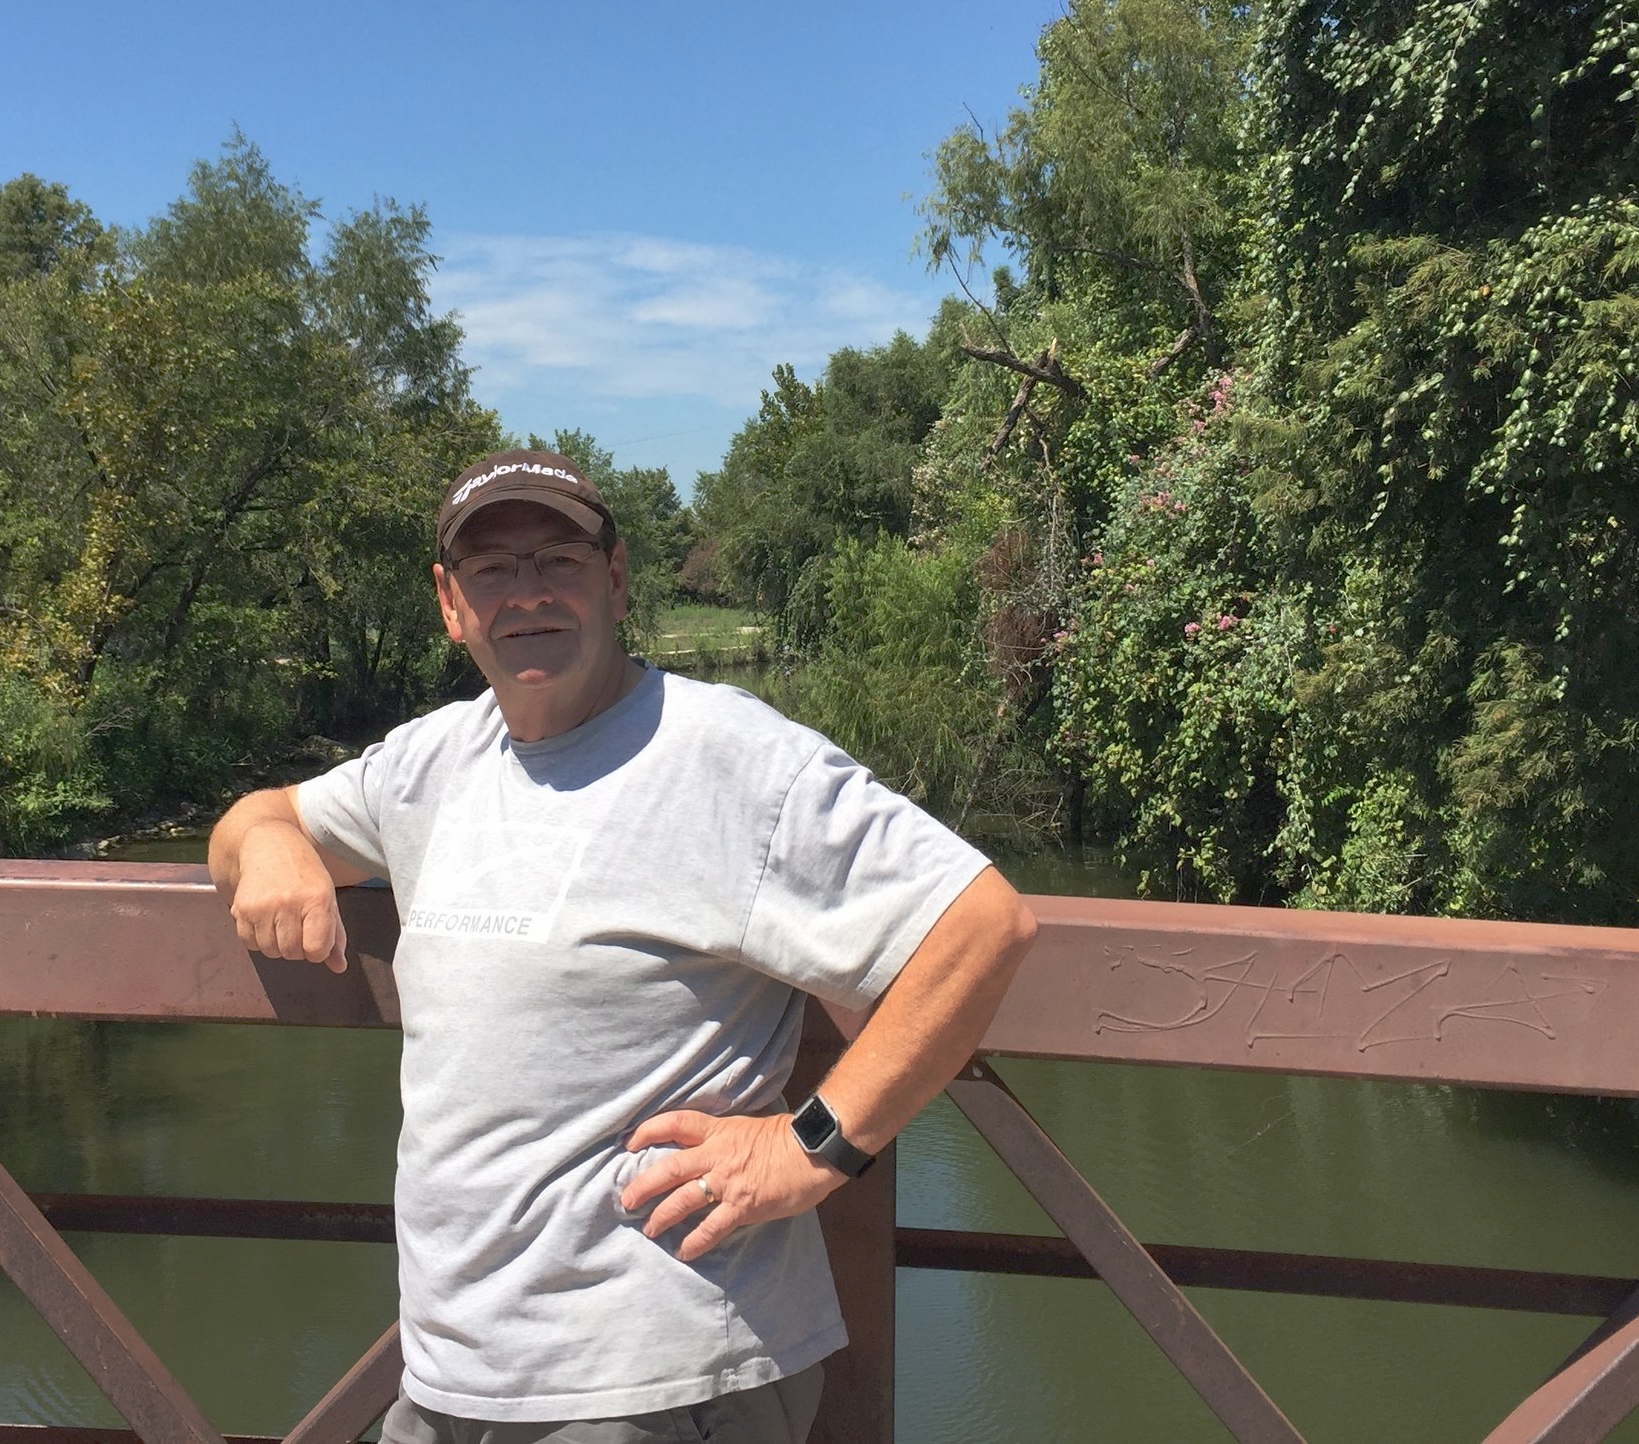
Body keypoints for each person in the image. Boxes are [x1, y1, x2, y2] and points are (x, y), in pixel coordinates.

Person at [209, 449, 1035, 1444]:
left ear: (614, 578)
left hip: (656, 1384)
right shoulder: (431, 762)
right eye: (493, 570)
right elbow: (258, 816)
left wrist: (813, 1149)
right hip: (448, 1375)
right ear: (450, 601)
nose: (526, 595)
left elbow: (980, 923)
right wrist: (268, 848)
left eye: (556, 560)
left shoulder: (726, 755)